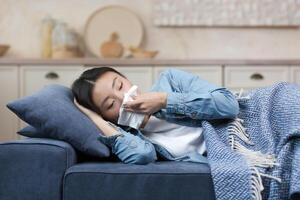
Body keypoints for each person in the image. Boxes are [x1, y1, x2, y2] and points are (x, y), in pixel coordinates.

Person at [71, 67, 240, 164]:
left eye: (120, 85)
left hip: (246, 122)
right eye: (110, 104)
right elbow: (142, 156)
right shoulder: (134, 139)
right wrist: (94, 118)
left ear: (127, 79)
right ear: (106, 116)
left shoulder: (171, 80)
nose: (123, 98)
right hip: (234, 151)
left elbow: (229, 105)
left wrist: (164, 100)